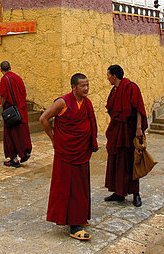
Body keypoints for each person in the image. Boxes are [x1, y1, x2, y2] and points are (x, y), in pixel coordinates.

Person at [39, 73, 98, 241]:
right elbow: (43, 118)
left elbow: (91, 123)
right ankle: (74, 225)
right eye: (83, 86)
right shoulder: (62, 103)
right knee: (68, 187)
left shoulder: (86, 103)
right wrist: (53, 138)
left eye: (87, 85)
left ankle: (80, 217)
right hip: (66, 151)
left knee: (81, 185)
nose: (86, 89)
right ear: (74, 87)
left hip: (81, 151)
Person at [104, 64, 147, 207]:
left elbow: (139, 108)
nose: (108, 78)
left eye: (108, 75)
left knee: (131, 161)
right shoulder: (115, 90)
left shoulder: (131, 87)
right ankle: (119, 192)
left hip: (130, 130)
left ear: (114, 76)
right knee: (117, 160)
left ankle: (136, 193)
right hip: (117, 130)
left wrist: (139, 128)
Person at [0, 61, 32, 168]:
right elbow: (24, 93)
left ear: (1, 70)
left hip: (11, 111)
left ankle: (14, 159)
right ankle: (25, 152)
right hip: (20, 109)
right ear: (10, 68)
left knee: (10, 135)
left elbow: (3, 96)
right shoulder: (18, 78)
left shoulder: (4, 79)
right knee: (21, 132)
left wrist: (1, 106)